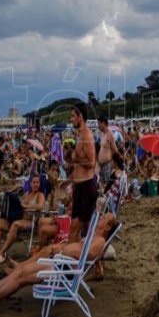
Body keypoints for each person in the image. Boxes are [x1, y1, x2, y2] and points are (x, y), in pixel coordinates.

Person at [0, 213, 116, 308]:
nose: (100, 217)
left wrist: (64, 250)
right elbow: (78, 249)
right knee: (20, 271)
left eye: (104, 218)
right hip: (62, 263)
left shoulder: (100, 241)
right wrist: (64, 248)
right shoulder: (93, 237)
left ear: (108, 226)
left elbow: (86, 253)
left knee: (21, 276)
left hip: (65, 270)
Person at [0, 174, 46, 263]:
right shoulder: (26, 194)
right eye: (33, 182)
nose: (35, 184)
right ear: (30, 184)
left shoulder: (40, 195)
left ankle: (2, 253)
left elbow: (40, 206)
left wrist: (26, 206)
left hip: (31, 221)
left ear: (40, 184)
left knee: (15, 225)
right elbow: (18, 203)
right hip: (19, 218)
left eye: (37, 182)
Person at [68, 102, 97, 243]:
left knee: (74, 230)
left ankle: (69, 263)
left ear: (80, 117)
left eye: (73, 116)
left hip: (86, 187)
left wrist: (76, 158)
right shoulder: (81, 134)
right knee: (87, 228)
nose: (71, 119)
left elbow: (92, 163)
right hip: (80, 187)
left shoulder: (86, 135)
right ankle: (96, 264)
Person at [97, 116, 117, 189]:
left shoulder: (110, 134)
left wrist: (116, 162)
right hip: (101, 164)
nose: (98, 126)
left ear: (104, 123)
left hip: (107, 163)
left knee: (108, 184)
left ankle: (110, 199)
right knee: (102, 183)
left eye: (99, 124)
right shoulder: (102, 134)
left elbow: (114, 149)